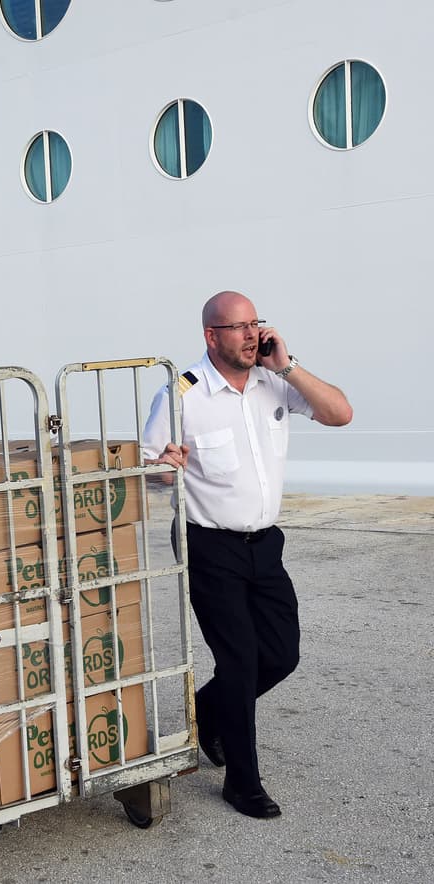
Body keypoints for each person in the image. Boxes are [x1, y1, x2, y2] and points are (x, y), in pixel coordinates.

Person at [143, 291, 352, 819]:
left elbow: (340, 414)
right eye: (237, 327)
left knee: (281, 656)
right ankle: (242, 782)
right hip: (208, 544)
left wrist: (289, 364)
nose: (251, 335)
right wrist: (167, 466)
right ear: (211, 336)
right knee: (238, 662)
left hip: (265, 543)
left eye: (255, 324)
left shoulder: (274, 380)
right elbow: (148, 471)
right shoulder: (181, 392)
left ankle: (207, 712)